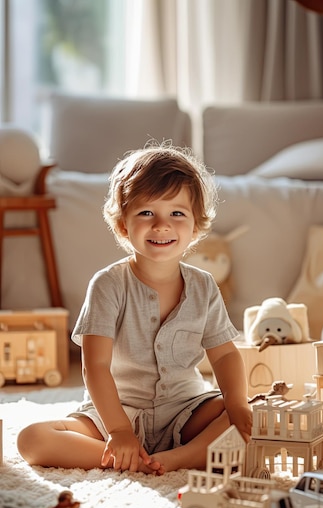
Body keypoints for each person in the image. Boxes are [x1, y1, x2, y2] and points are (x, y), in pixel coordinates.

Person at [17, 143, 252, 474]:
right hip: (117, 411)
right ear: (123, 224)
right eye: (146, 213)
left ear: (196, 225)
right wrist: (119, 432)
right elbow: (95, 366)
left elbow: (225, 356)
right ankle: (133, 456)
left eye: (177, 213)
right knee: (32, 439)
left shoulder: (203, 286)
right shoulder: (108, 285)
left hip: (185, 410)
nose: (161, 225)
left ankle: (178, 458)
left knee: (255, 415)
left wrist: (237, 404)